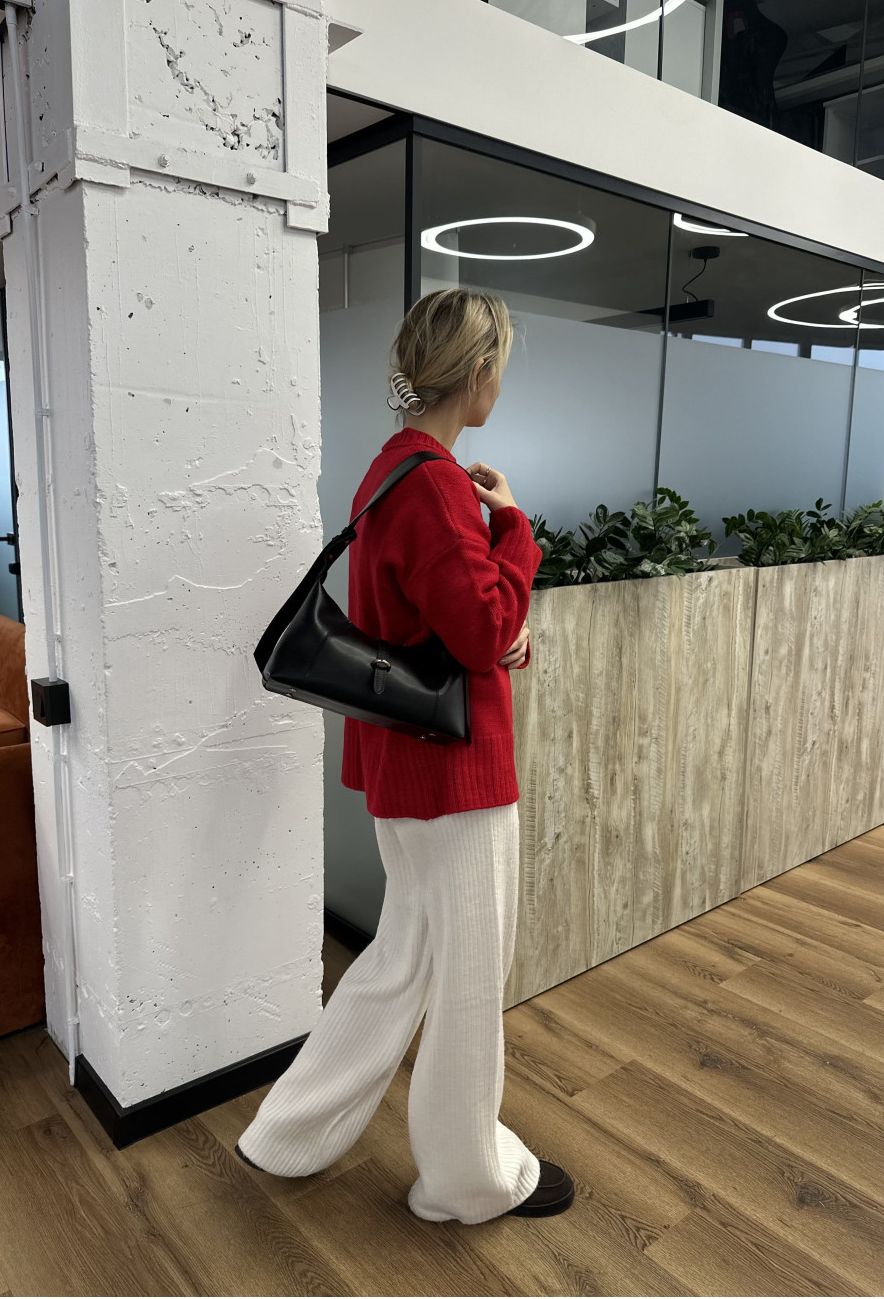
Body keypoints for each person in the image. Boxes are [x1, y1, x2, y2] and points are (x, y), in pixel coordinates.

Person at [235, 287, 575, 1224]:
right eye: (501, 367)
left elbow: (442, 622)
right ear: (479, 371)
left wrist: (499, 631)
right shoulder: (435, 484)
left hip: (408, 767)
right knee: (468, 975)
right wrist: (514, 530)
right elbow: (480, 626)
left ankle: (289, 1132)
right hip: (454, 777)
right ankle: (466, 1180)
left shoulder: (393, 470)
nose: (501, 383)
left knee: (404, 961)